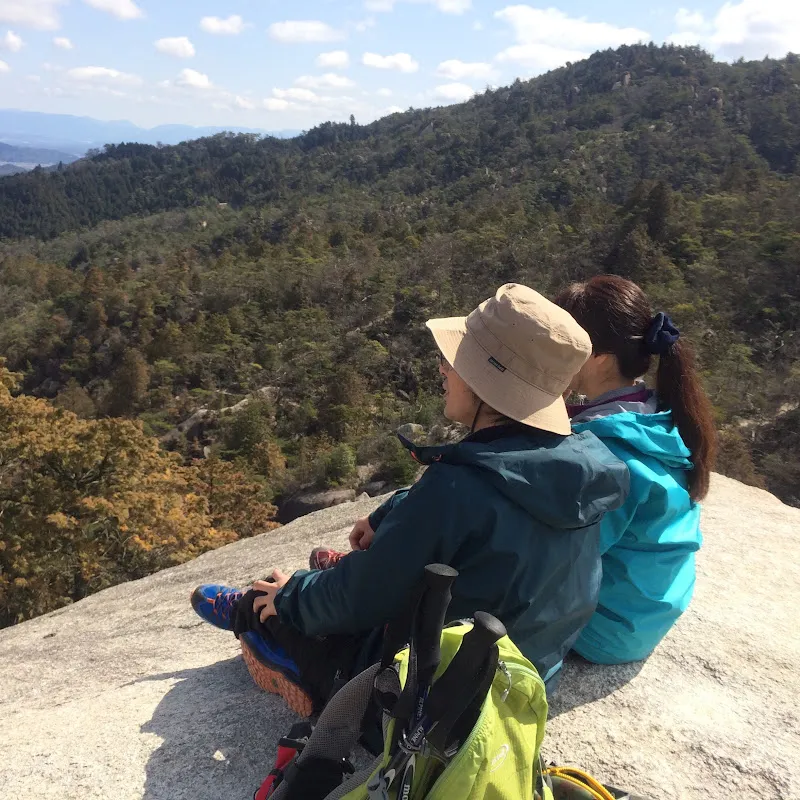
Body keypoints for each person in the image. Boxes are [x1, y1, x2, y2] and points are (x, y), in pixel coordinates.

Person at [190, 283, 629, 715]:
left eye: (453, 359)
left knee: (284, 598)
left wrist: (291, 596)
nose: (442, 367)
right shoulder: (581, 472)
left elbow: (359, 600)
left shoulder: (455, 490)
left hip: (425, 702)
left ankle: (259, 624)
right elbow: (490, 502)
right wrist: (395, 512)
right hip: (522, 679)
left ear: (486, 382)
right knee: (378, 571)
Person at [554, 275, 718, 665]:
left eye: (561, 342)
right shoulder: (659, 414)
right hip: (646, 610)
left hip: (606, 630)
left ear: (597, 356)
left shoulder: (605, 453)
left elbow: (561, 555)